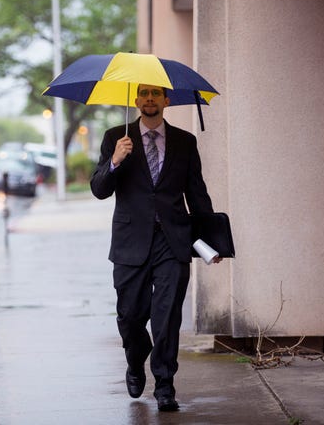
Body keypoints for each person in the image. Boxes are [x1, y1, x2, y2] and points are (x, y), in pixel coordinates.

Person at [90, 84, 220, 412]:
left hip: (172, 241)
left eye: (155, 94)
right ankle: (135, 362)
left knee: (166, 317)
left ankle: (165, 383)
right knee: (130, 317)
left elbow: (197, 193)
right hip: (130, 242)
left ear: (166, 100)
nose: (149, 99)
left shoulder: (185, 142)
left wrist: (210, 243)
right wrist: (116, 161)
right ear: (136, 100)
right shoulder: (114, 138)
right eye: (144, 93)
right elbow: (99, 189)